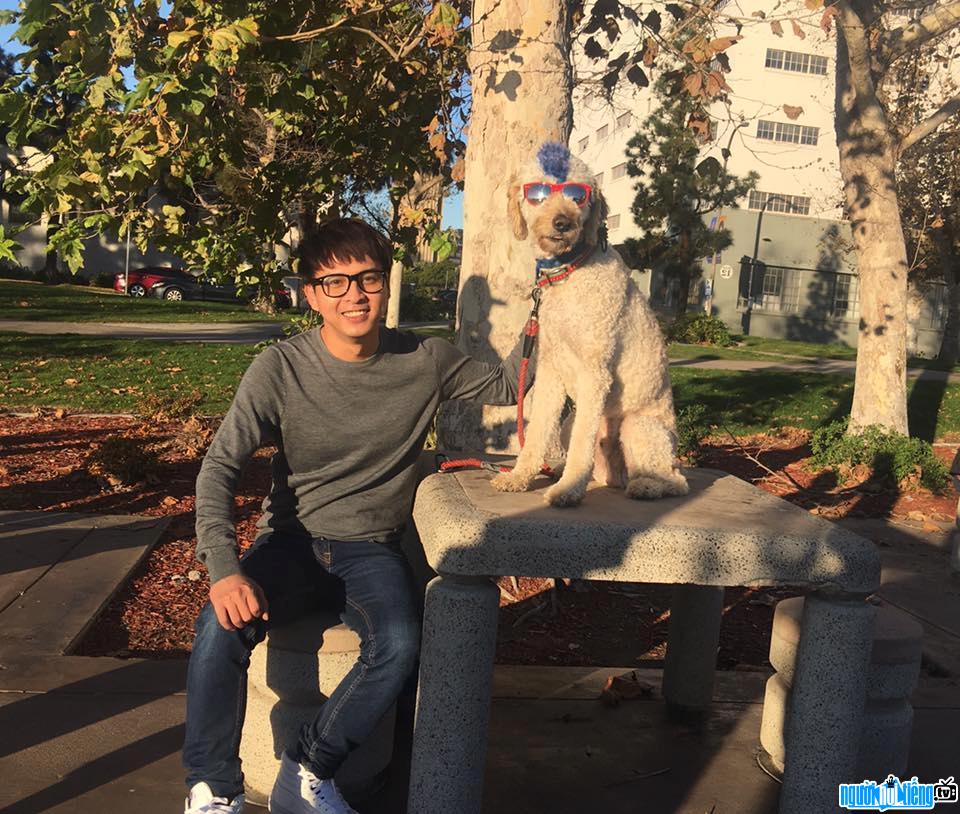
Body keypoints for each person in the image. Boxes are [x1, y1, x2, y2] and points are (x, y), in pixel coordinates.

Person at [182, 218, 532, 814]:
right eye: (335, 283)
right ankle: (215, 789)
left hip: (370, 548)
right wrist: (223, 566)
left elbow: (512, 385)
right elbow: (219, 469)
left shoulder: (426, 358)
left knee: (398, 641)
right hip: (291, 542)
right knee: (220, 626)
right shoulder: (280, 368)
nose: (354, 295)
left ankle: (309, 769)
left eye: (367, 278)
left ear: (386, 283)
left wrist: (553, 312)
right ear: (312, 294)